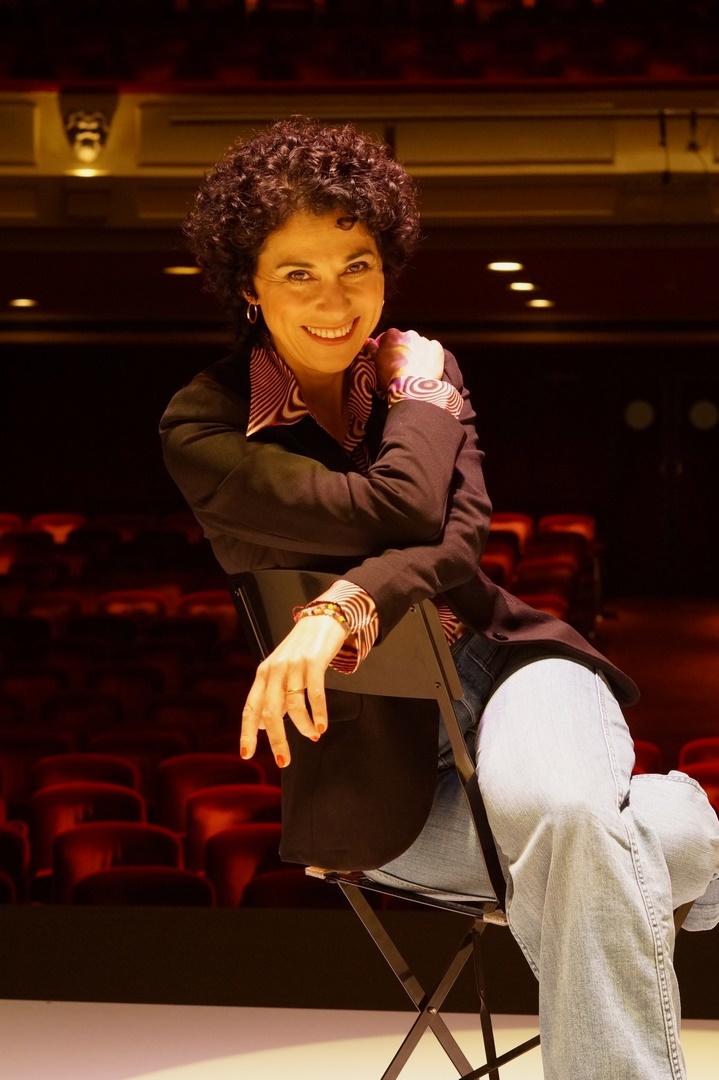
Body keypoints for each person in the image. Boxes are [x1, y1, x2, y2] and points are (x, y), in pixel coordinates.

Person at [160, 116, 719, 1079]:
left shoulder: (418, 370)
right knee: (591, 842)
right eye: (298, 273)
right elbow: (406, 508)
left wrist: (342, 602)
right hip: (376, 763)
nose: (335, 300)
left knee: (562, 813)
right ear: (247, 286)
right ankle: (688, 824)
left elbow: (454, 542)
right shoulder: (204, 427)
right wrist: (418, 423)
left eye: (358, 266)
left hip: (511, 665)